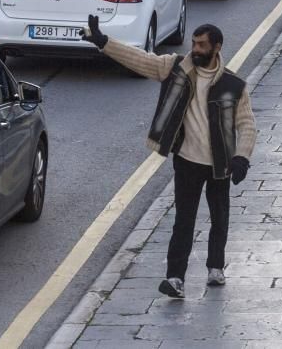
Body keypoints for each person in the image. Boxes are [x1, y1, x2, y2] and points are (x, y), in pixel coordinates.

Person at [82, 17, 257, 299]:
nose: (195, 49)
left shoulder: (234, 85)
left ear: (217, 47)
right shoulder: (176, 68)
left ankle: (215, 267)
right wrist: (104, 43)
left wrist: (242, 158)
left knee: (219, 217)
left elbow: (247, 124)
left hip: (220, 165)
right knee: (183, 221)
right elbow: (140, 60)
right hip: (187, 160)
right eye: (194, 43)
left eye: (201, 45)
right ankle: (175, 278)